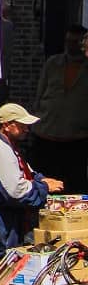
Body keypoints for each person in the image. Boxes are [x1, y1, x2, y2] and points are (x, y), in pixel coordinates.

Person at [0, 103, 65, 271]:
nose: (26, 130)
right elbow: (16, 191)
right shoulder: (1, 151)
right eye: (22, 126)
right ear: (7, 125)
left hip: (15, 223)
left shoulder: (11, 148)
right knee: (4, 268)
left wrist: (42, 180)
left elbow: (27, 171)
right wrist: (43, 187)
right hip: (5, 225)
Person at [31, 25, 88, 192]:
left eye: (76, 42)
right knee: (45, 178)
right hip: (47, 131)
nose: (72, 45)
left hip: (76, 135)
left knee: (74, 182)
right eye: (69, 41)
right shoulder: (53, 63)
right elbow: (40, 92)